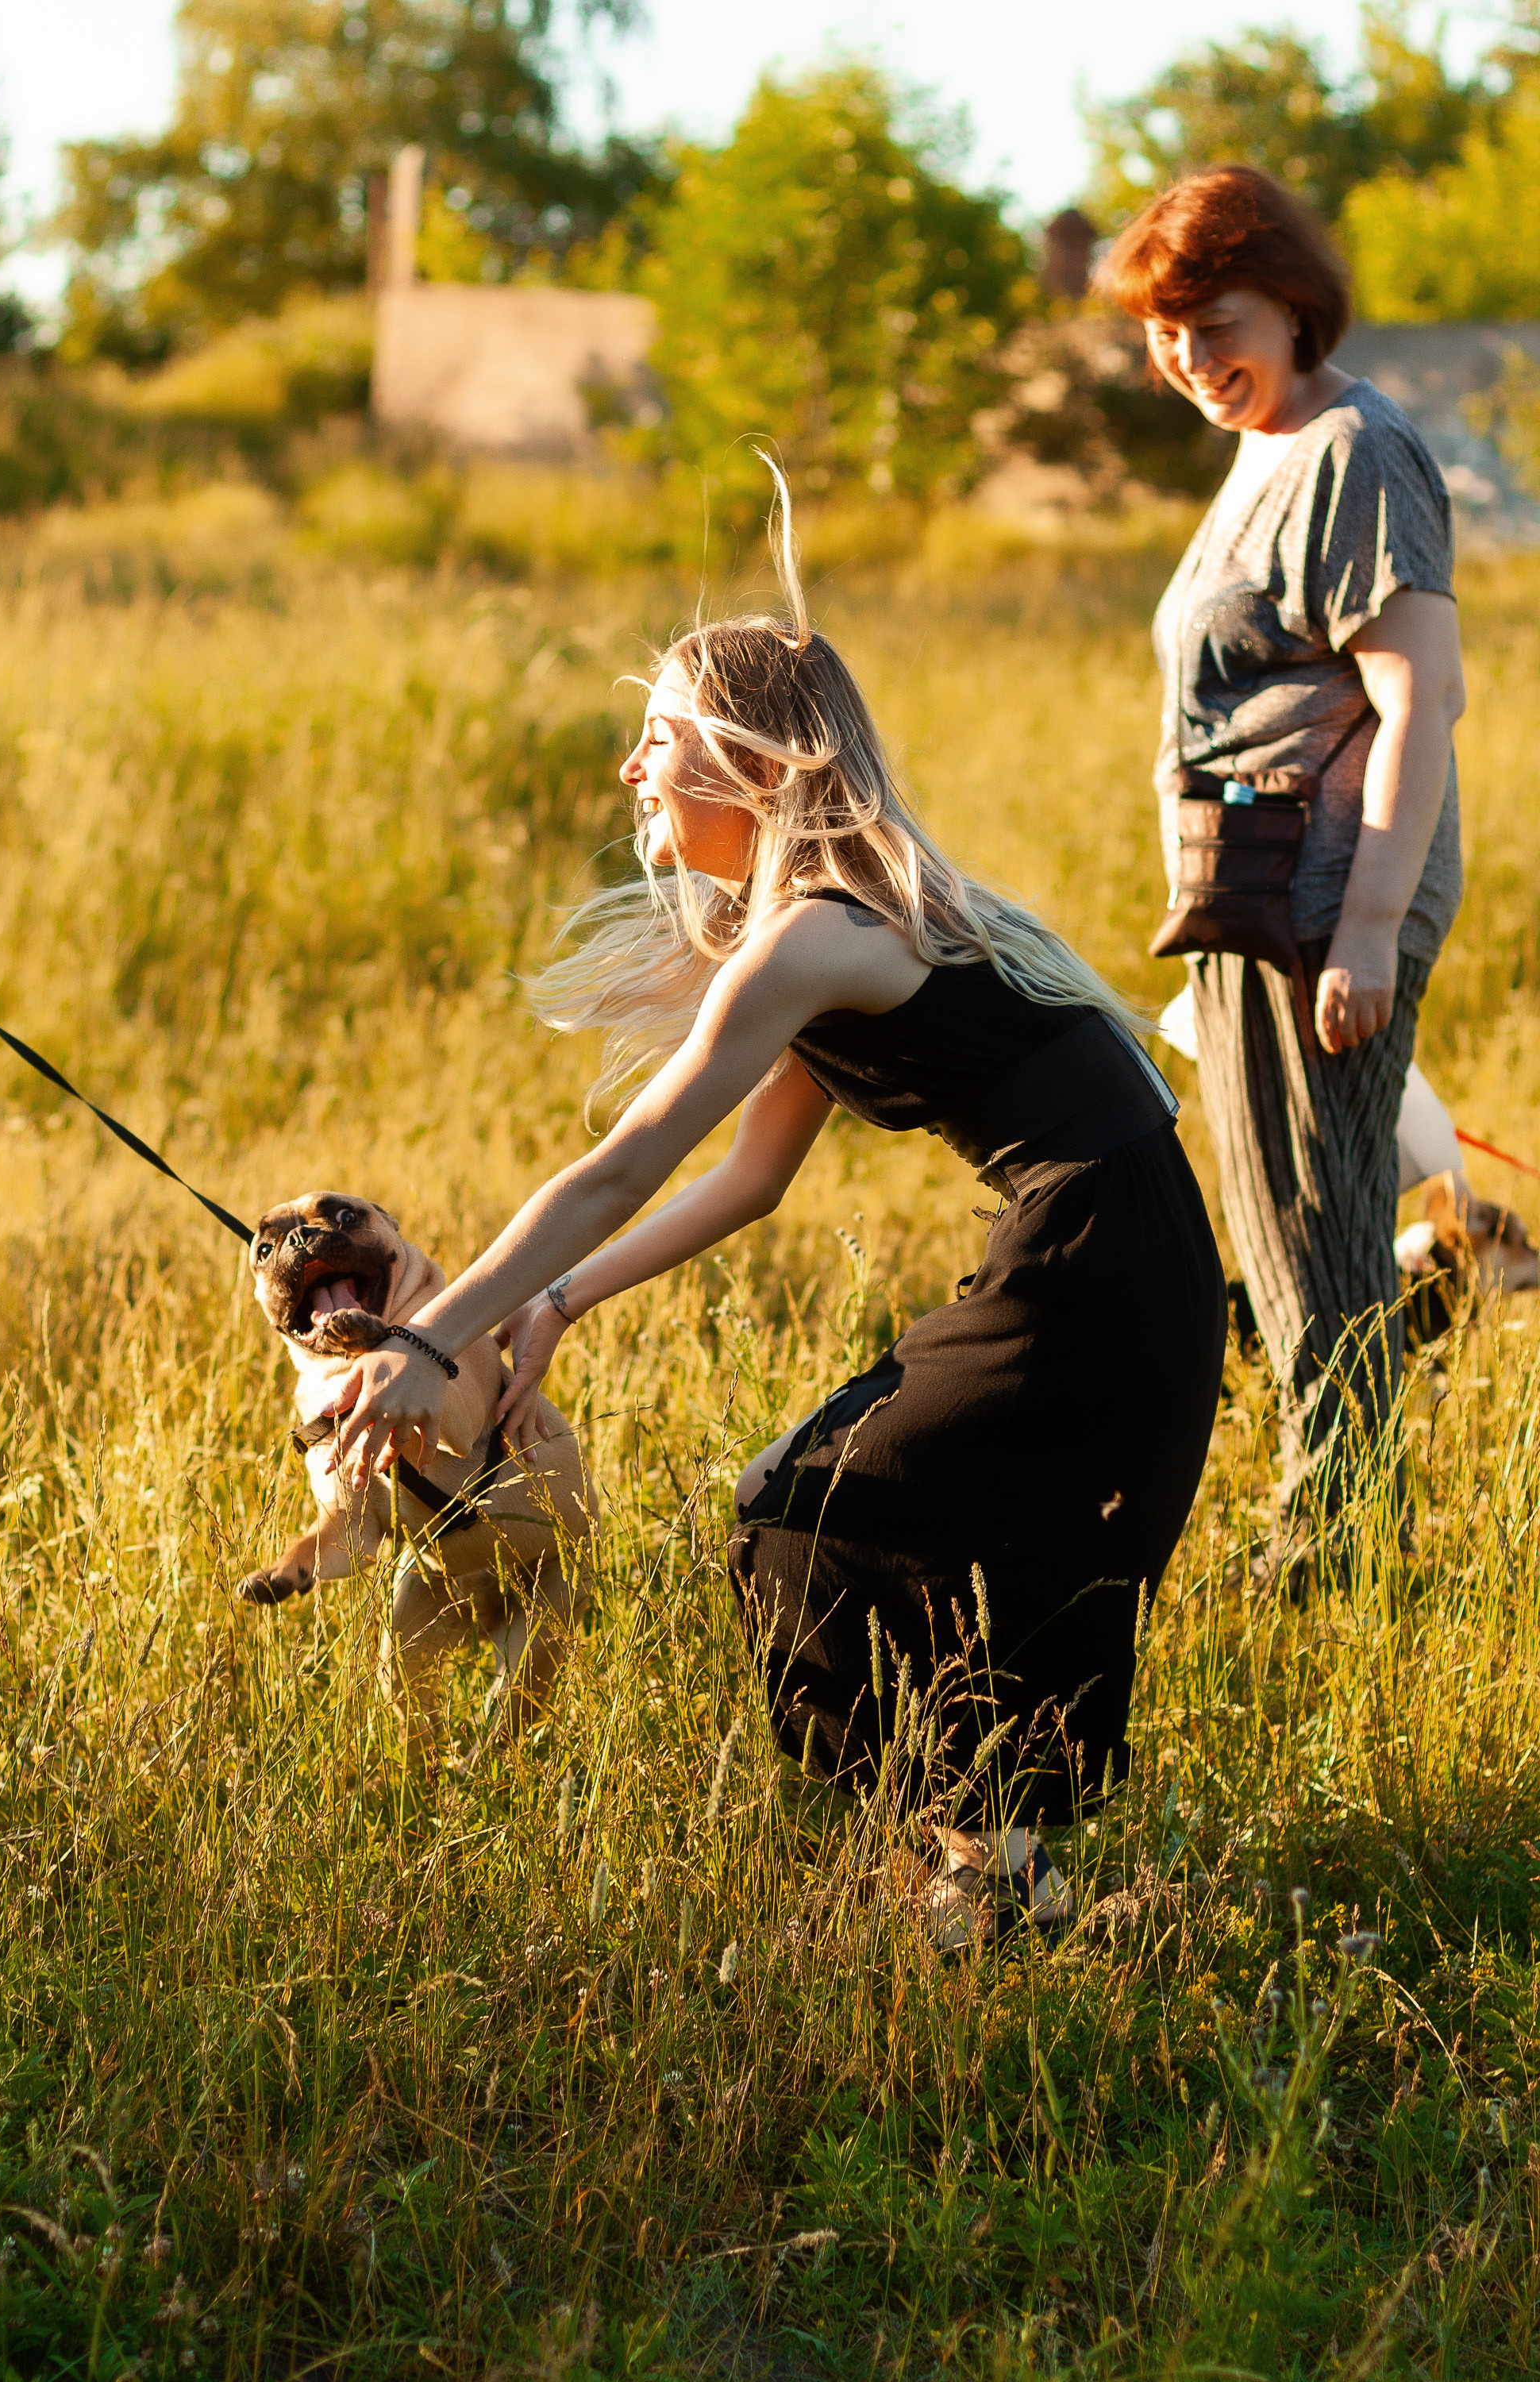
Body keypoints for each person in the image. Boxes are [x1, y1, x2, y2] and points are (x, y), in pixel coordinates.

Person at [330, 470, 1226, 1946]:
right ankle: (1003, 1881)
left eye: (660, 739)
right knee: (878, 1512)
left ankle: (973, 1872)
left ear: (750, 762)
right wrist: (552, 1303)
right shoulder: (813, 935)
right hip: (1108, 1240)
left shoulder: (818, 935)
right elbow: (749, 1184)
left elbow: (627, 1163)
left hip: (1098, 1254)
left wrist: (430, 1336)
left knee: (808, 1506)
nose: (633, 769)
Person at [1100, 164, 1465, 1572]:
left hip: (1321, 896)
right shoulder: (1271, 444)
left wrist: (1368, 922)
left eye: (1217, 320)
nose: (1192, 357)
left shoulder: (1354, 449)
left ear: (1296, 305)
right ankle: (1342, 1519)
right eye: (1167, 330)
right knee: (1286, 1214)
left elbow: (1420, 695)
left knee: (1315, 1221)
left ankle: (1342, 1540)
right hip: (1252, 894)